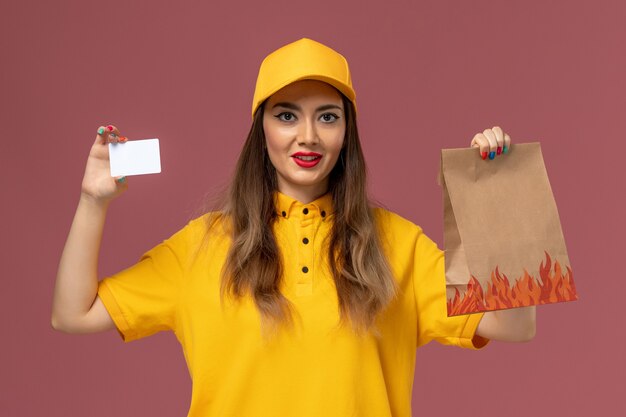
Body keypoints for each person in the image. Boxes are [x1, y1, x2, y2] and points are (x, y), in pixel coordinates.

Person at [52, 38, 535, 417]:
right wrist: (92, 202)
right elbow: (73, 315)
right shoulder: (202, 245)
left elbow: (513, 324)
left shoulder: (397, 244)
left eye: (327, 117)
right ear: (261, 129)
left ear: (347, 133)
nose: (308, 136)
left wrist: (492, 197)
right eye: (287, 116)